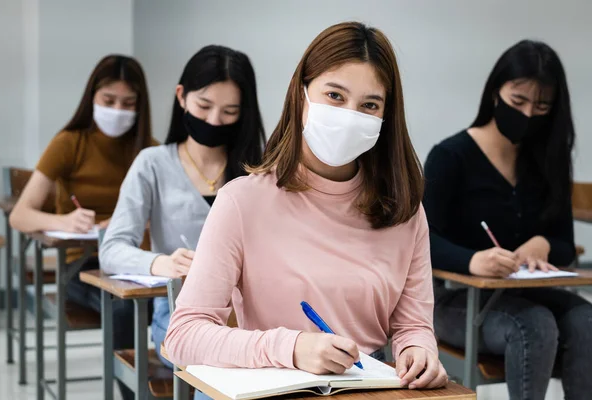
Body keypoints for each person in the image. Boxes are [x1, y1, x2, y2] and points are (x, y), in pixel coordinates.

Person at [165, 22, 448, 393]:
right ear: (301, 96)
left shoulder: (404, 210)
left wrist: (420, 351)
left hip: (372, 388)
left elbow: (413, 326)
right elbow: (183, 337)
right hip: (274, 388)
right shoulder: (241, 201)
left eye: (369, 105)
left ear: (385, 116)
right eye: (334, 95)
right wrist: (292, 347)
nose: (350, 115)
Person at [423, 40, 592, 400]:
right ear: (495, 93)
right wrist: (472, 260)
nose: (529, 115)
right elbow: (422, 240)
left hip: (526, 295)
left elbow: (564, 244)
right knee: (534, 325)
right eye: (519, 102)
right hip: (457, 301)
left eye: (542, 106)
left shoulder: (548, 161)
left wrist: (544, 243)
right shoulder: (450, 157)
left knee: (586, 319)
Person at [100, 45, 266, 372]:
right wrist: (163, 263)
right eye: (204, 106)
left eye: (230, 111)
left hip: (256, 316)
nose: (215, 120)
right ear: (181, 96)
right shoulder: (153, 164)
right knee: (219, 365)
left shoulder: (259, 169)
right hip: (181, 314)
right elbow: (111, 249)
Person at [9, 54, 156, 400]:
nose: (118, 110)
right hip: (83, 266)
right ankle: (136, 394)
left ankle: (172, 388)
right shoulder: (69, 143)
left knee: (171, 304)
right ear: (92, 97)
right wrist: (64, 221)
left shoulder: (148, 150)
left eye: (128, 103)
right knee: (125, 308)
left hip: (138, 265)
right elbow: (21, 215)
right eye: (109, 101)